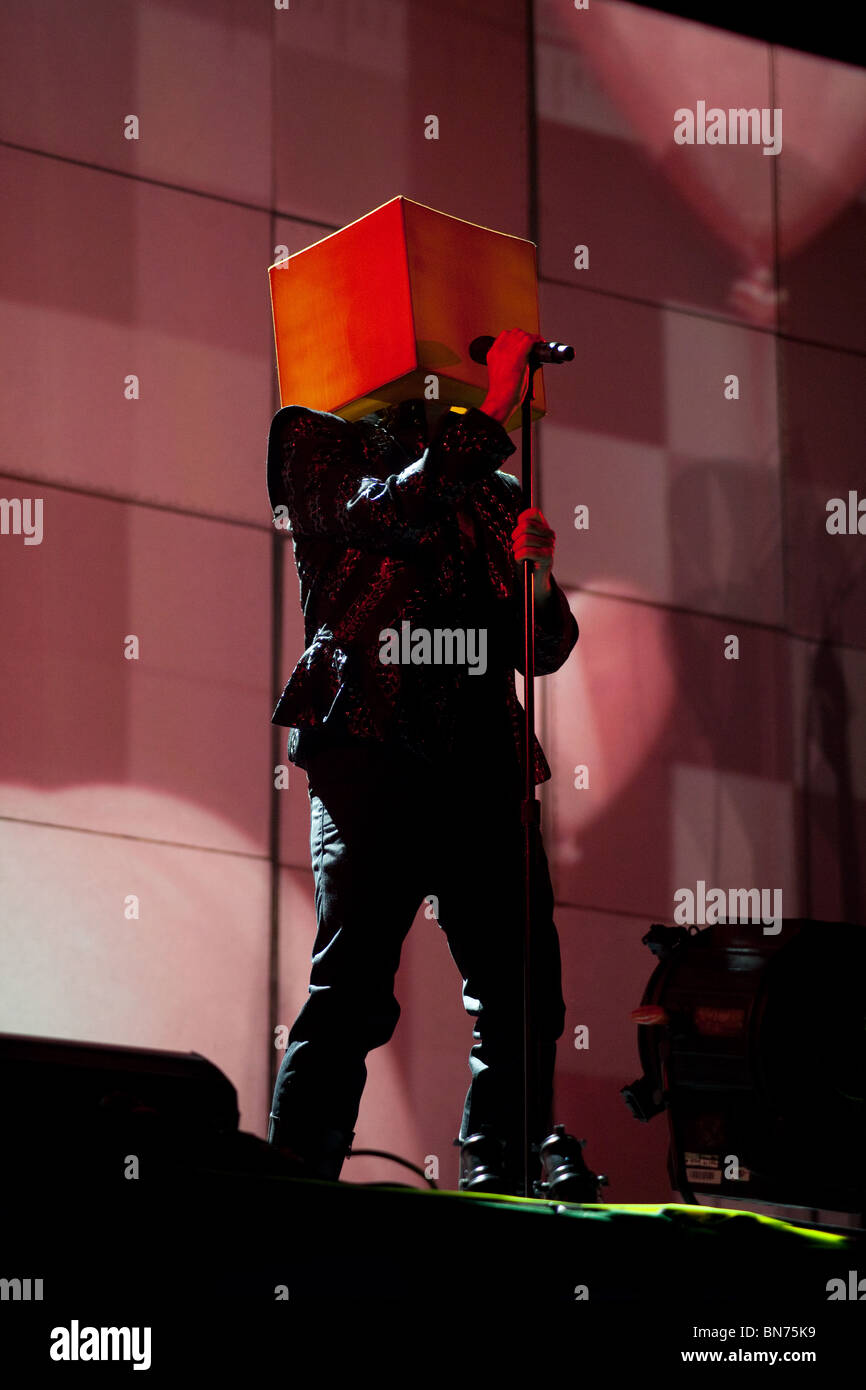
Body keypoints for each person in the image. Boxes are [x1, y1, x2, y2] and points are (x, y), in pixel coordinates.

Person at [265, 328, 579, 1195]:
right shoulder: (317, 441)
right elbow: (391, 508)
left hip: (482, 754)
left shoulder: (495, 487)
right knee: (355, 984)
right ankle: (294, 1184)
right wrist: (491, 408)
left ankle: (502, 1184)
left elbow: (541, 646)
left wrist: (539, 580)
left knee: (525, 997)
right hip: (371, 736)